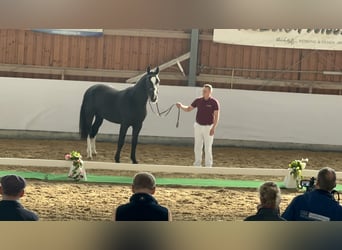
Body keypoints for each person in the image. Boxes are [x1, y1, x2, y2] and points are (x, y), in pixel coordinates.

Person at [176, 84, 220, 167]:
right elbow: (189, 109)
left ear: (210, 92)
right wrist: (181, 106)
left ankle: (208, 165)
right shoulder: (198, 100)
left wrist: (213, 128)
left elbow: (217, 116)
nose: (203, 92)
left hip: (208, 127)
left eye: (205, 91)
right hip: (198, 126)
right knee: (197, 146)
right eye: (203, 91)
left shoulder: (214, 102)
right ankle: (197, 164)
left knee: (208, 147)